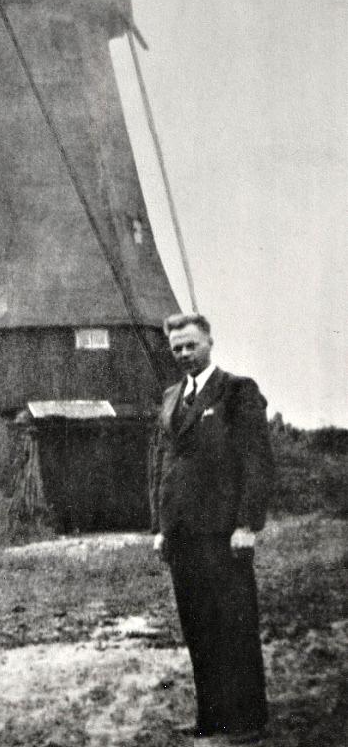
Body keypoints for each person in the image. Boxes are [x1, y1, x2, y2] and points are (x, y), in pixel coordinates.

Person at [150, 313, 274, 746]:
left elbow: (257, 461)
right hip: (182, 535)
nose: (185, 353)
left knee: (234, 624)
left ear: (209, 342)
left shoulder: (236, 391)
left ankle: (248, 721)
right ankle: (213, 717)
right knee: (198, 627)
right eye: (177, 348)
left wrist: (247, 523)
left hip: (223, 533)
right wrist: (160, 526)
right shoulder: (171, 397)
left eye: (191, 345)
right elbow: (162, 465)